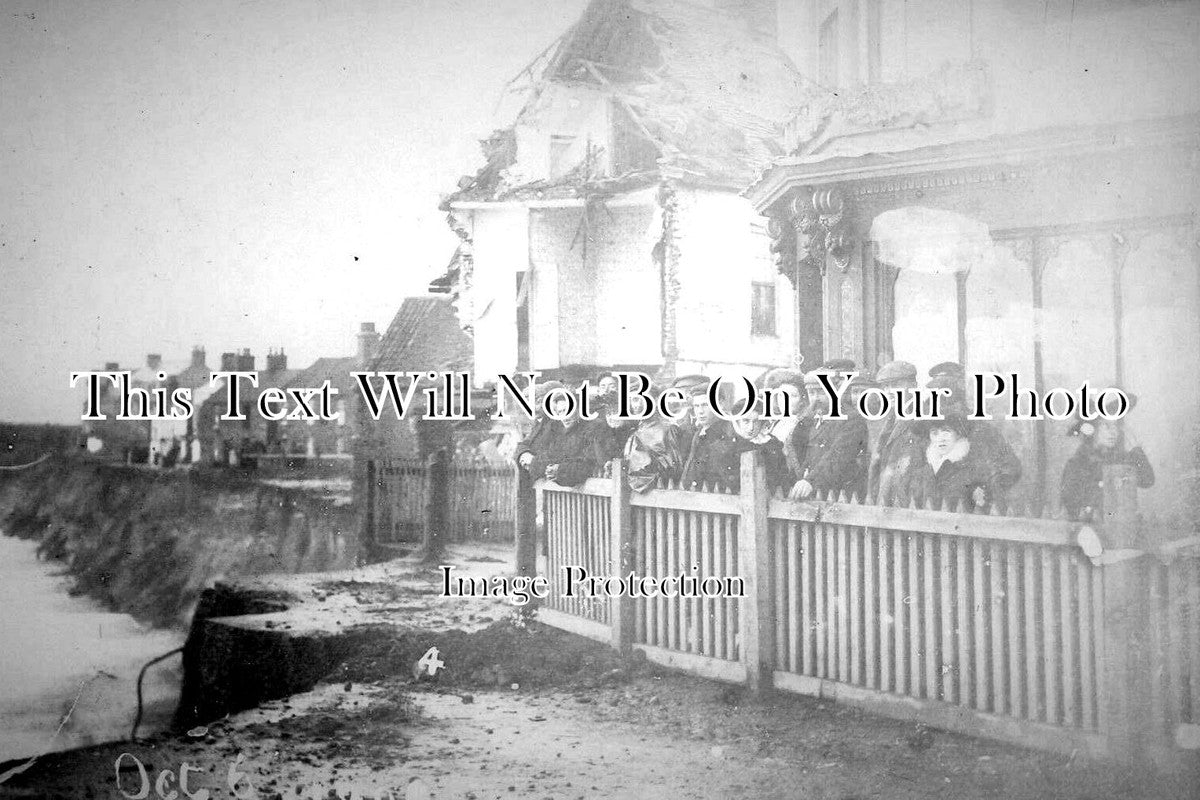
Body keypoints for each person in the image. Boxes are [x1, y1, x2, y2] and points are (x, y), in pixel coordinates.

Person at [1061, 400, 1154, 522]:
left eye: (1115, 425)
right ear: (1092, 431)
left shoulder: (1121, 459)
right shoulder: (1077, 464)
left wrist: (1137, 451)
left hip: (1123, 531)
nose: (1113, 432)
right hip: (1089, 533)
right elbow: (1071, 504)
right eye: (1106, 426)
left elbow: (1147, 480)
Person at [897, 410, 1005, 511]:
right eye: (935, 433)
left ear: (958, 434)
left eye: (946, 432)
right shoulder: (921, 472)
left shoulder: (972, 470)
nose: (941, 438)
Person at [788, 369, 869, 500]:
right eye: (811, 393)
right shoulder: (816, 418)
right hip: (818, 492)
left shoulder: (851, 419)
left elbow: (839, 455)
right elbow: (809, 457)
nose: (816, 398)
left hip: (844, 495)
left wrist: (810, 481)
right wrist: (803, 478)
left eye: (821, 392)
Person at [516, 390, 605, 487]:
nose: (564, 417)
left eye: (568, 411)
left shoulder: (594, 428)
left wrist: (560, 470)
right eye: (560, 412)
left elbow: (590, 465)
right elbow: (550, 456)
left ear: (579, 409)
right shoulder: (562, 433)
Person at [869, 360, 921, 502]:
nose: (889, 391)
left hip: (909, 502)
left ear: (913, 386)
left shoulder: (922, 419)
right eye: (885, 386)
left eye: (896, 385)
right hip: (885, 502)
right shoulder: (887, 420)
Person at [622, 382, 687, 492]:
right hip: (635, 498)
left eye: (641, 399)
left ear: (655, 401)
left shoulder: (668, 429)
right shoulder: (635, 431)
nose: (636, 405)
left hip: (661, 495)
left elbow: (675, 467)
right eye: (633, 400)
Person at [680, 385, 741, 491]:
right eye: (696, 406)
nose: (700, 411)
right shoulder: (698, 433)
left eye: (705, 405)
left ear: (720, 404)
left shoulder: (730, 432)